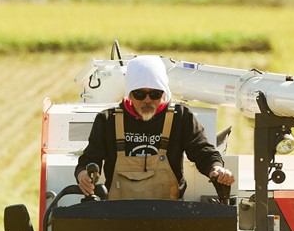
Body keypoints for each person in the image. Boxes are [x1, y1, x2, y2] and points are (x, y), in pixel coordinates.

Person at [75, 56, 234, 200]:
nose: (147, 100)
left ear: (164, 93)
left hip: (169, 214)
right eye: (139, 94)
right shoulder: (108, 120)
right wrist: (83, 175)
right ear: (129, 94)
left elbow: (202, 152)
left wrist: (216, 168)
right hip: (118, 215)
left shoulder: (181, 118)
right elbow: (89, 159)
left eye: (155, 94)